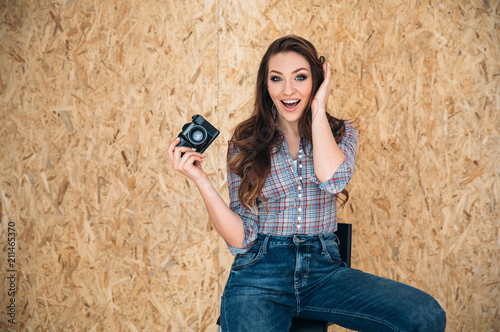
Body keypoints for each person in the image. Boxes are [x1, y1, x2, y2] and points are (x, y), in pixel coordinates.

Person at [167, 35, 446, 332]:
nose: (288, 90)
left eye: (300, 77)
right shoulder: (245, 142)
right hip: (260, 273)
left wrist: (318, 106)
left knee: (425, 317)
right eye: (277, 79)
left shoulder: (341, 133)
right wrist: (202, 182)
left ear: (317, 79)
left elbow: (333, 180)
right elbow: (241, 239)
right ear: (266, 85)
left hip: (324, 270)